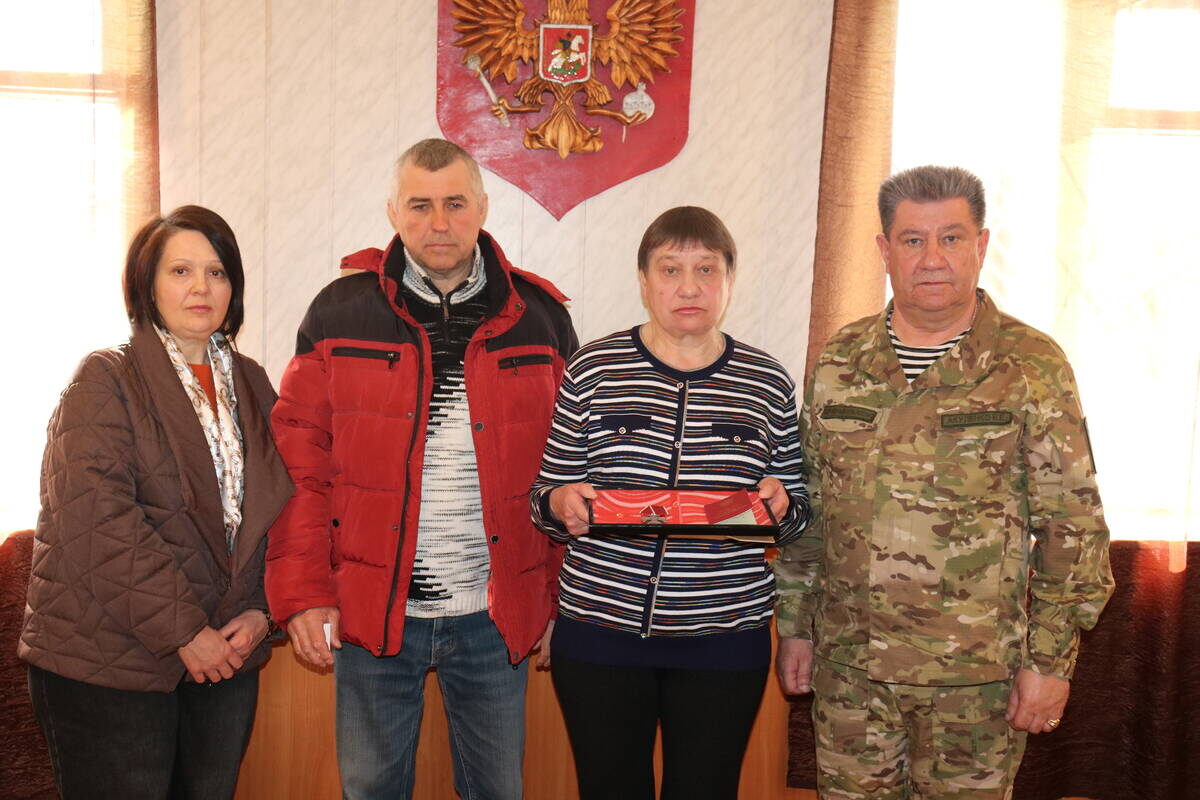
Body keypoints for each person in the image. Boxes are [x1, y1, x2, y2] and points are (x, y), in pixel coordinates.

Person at [774, 165, 1114, 798]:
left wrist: (1049, 662)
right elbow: (811, 508)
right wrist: (794, 624)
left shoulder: (1030, 364)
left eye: (951, 238)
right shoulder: (841, 359)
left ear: (981, 245)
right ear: (885, 251)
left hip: (975, 684)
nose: (932, 258)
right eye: (913, 240)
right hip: (851, 678)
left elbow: (1073, 526)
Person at [264, 138, 577, 800]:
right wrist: (305, 594)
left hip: (496, 617)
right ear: (393, 212)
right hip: (374, 614)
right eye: (420, 205)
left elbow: (566, 473)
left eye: (455, 204)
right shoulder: (338, 312)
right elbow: (300, 467)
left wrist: (559, 600)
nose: (439, 223)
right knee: (371, 790)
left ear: (483, 209)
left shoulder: (541, 318)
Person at [530, 206, 811, 800]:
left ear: (729, 280)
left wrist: (784, 506)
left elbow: (799, 511)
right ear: (644, 280)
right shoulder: (594, 368)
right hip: (600, 633)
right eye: (670, 269)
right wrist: (560, 502)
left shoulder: (767, 381)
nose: (689, 287)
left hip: (724, 638)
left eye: (707, 269)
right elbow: (543, 498)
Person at [20, 205, 294, 799]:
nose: (201, 287)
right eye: (180, 271)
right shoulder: (105, 378)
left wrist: (264, 612)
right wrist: (185, 632)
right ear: (146, 286)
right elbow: (97, 522)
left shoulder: (253, 383)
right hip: (109, 661)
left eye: (217, 272)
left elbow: (284, 511)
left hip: (227, 658)